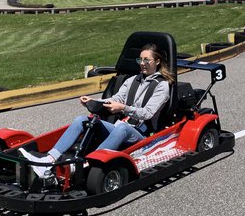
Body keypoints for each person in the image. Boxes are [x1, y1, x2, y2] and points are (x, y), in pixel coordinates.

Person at [18, 44, 175, 177]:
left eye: (146, 60)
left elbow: (147, 113)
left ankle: (87, 165)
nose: (142, 63)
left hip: (142, 135)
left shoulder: (162, 86)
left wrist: (123, 109)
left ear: (157, 61)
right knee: (82, 120)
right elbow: (116, 99)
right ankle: (48, 161)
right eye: (140, 59)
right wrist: (93, 101)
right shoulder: (132, 80)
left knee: (122, 127)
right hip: (120, 127)